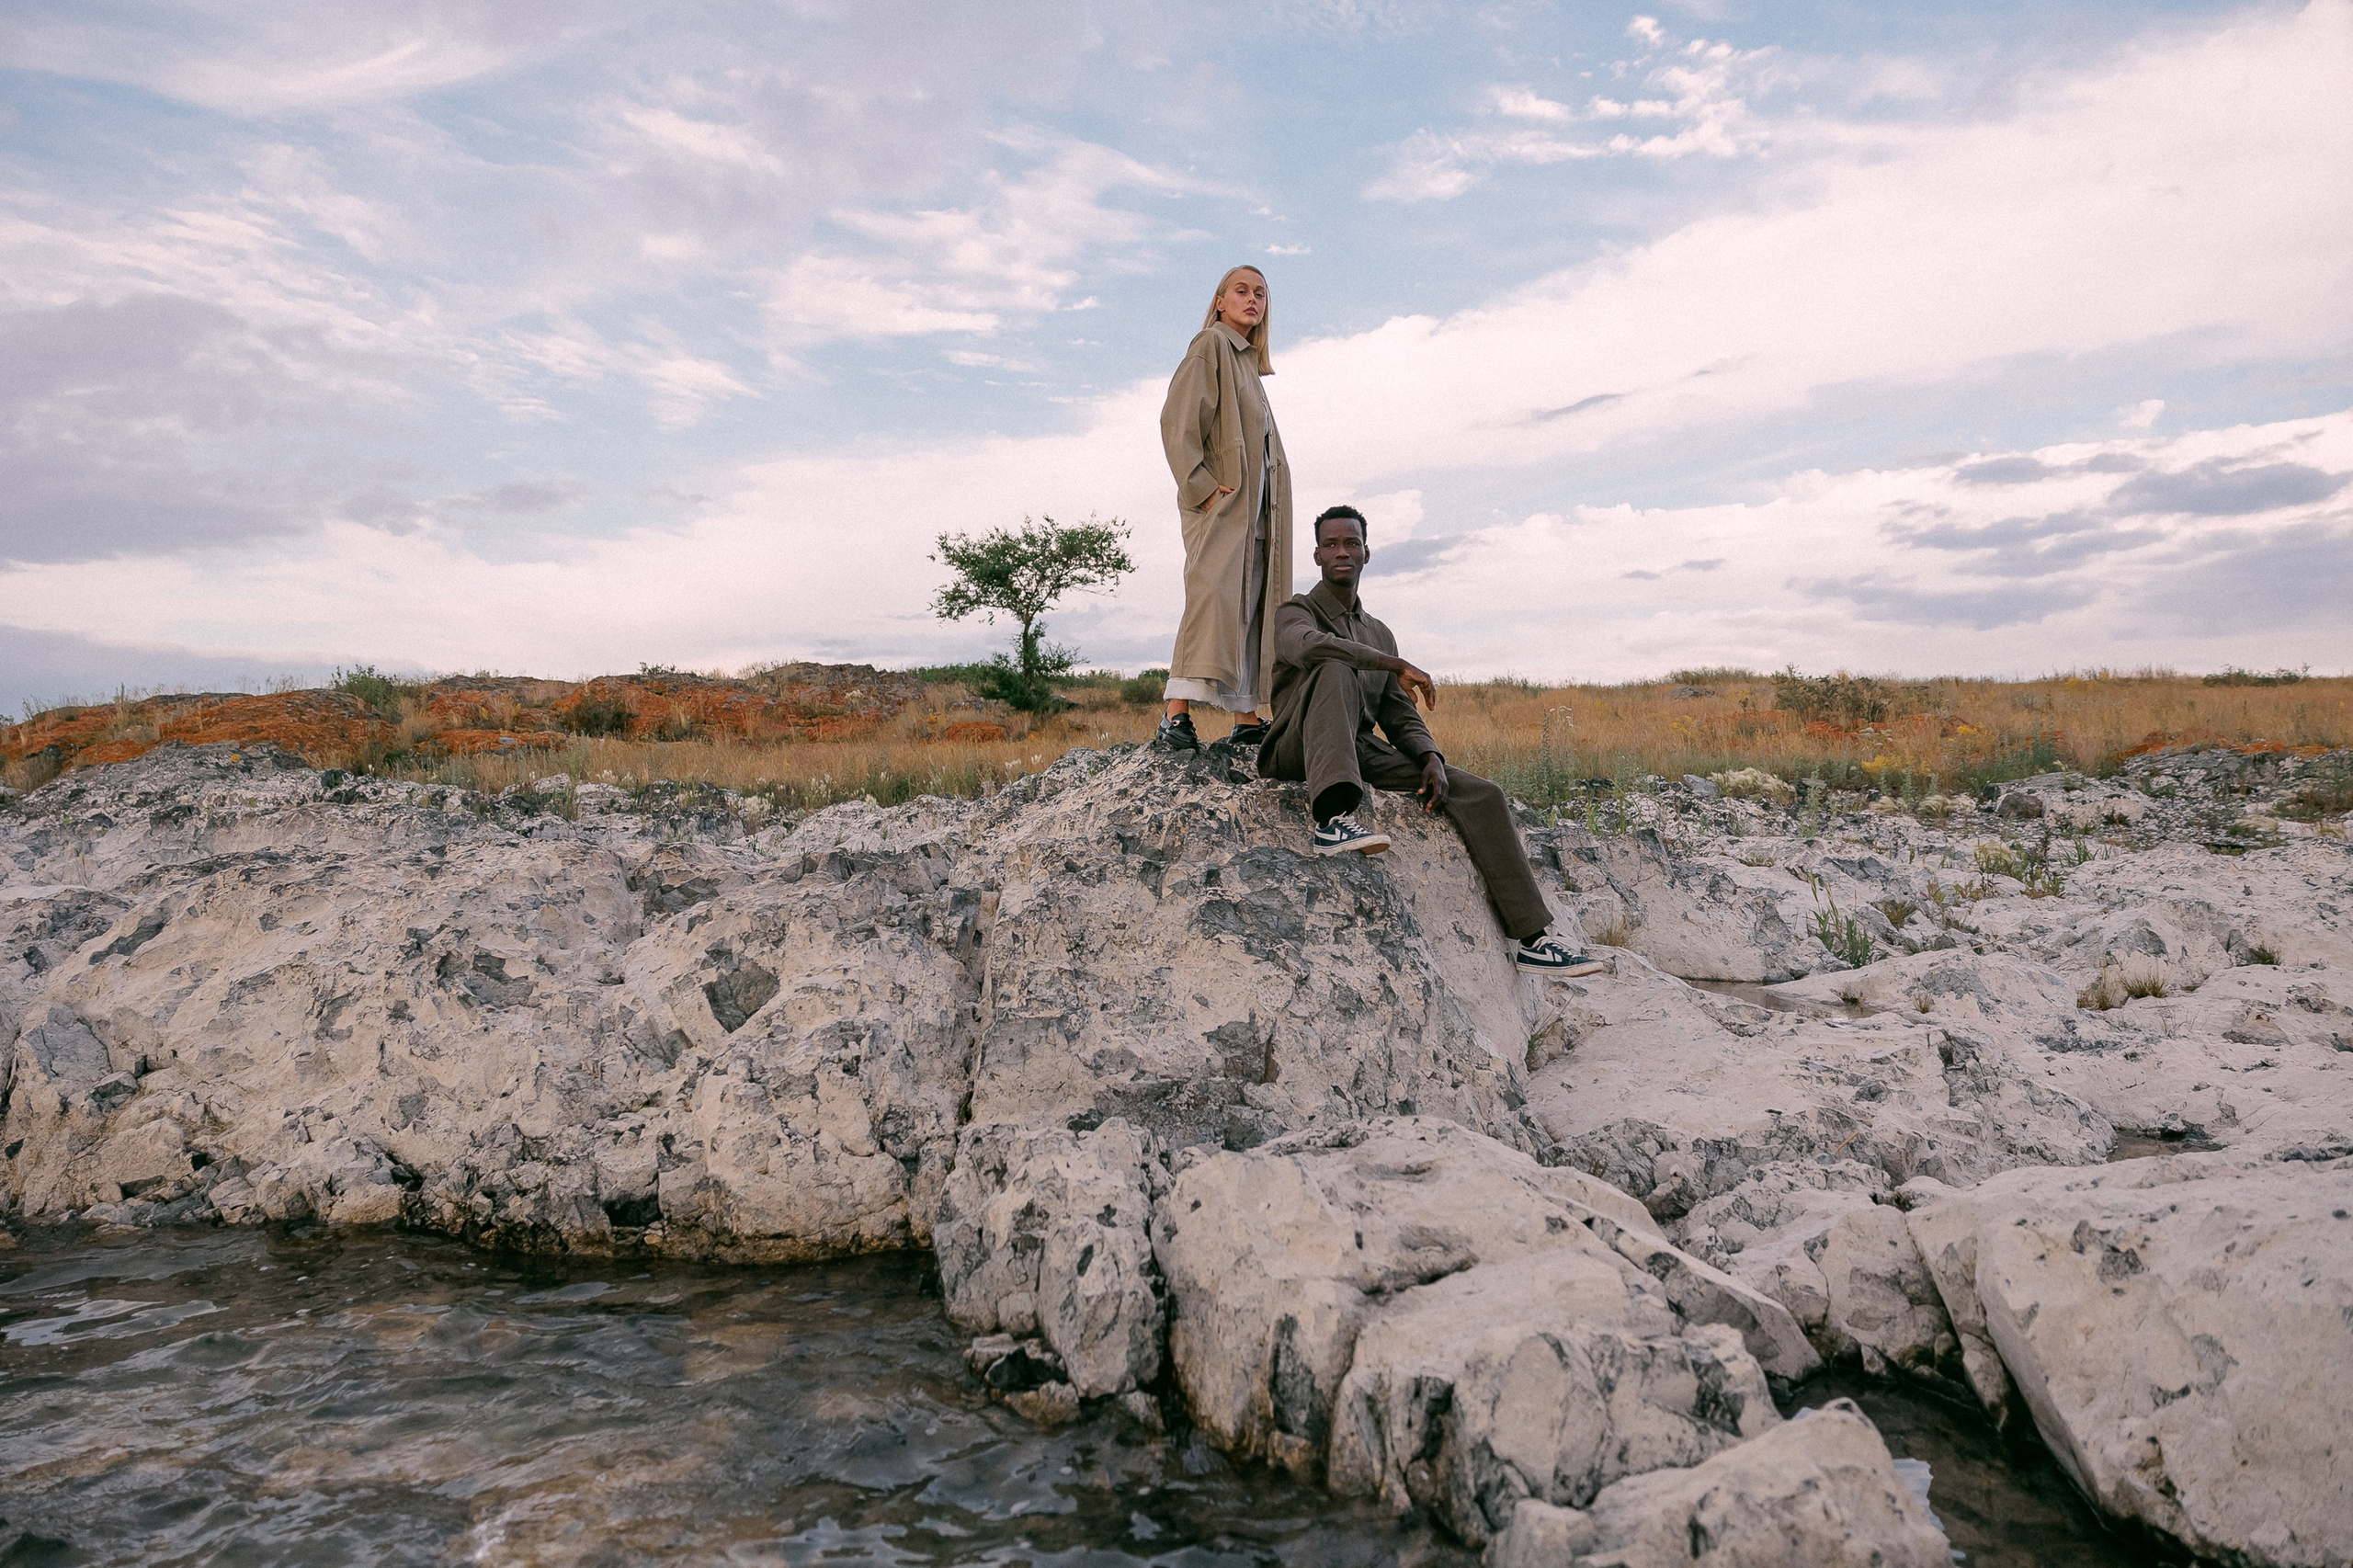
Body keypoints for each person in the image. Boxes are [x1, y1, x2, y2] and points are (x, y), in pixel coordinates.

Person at [1258, 504, 1605, 974]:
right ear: (1317, 555)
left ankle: (1533, 941)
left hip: (1357, 752)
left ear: (1366, 553)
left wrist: (1431, 757)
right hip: (1296, 748)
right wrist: (1392, 665)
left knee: (1480, 793)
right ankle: (1331, 819)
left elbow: (1398, 713)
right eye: (1331, 544)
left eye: (1351, 543)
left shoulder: (1379, 632)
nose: (1342, 551)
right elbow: (1309, 647)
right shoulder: (1296, 611)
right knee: (1335, 665)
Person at [1155, 265, 1290, 752]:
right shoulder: (1210, 345)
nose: (1253, 299)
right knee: (1210, 597)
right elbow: (1178, 421)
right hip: (1223, 511)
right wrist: (1203, 489)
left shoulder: (1249, 367)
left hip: (1257, 517)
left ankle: (1247, 717)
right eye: (1242, 290)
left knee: (1251, 607)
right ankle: (1176, 715)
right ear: (1219, 301)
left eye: (1261, 293)